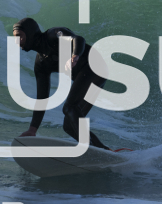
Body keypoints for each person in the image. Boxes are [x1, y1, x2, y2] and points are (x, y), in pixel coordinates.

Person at [13, 17, 111, 150]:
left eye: (19, 36)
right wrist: (32, 130)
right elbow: (42, 98)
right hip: (92, 73)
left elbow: (78, 39)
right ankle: (103, 151)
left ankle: (93, 148)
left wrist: (75, 56)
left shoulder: (53, 35)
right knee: (69, 126)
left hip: (95, 65)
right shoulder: (41, 64)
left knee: (69, 107)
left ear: (30, 33)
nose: (16, 41)